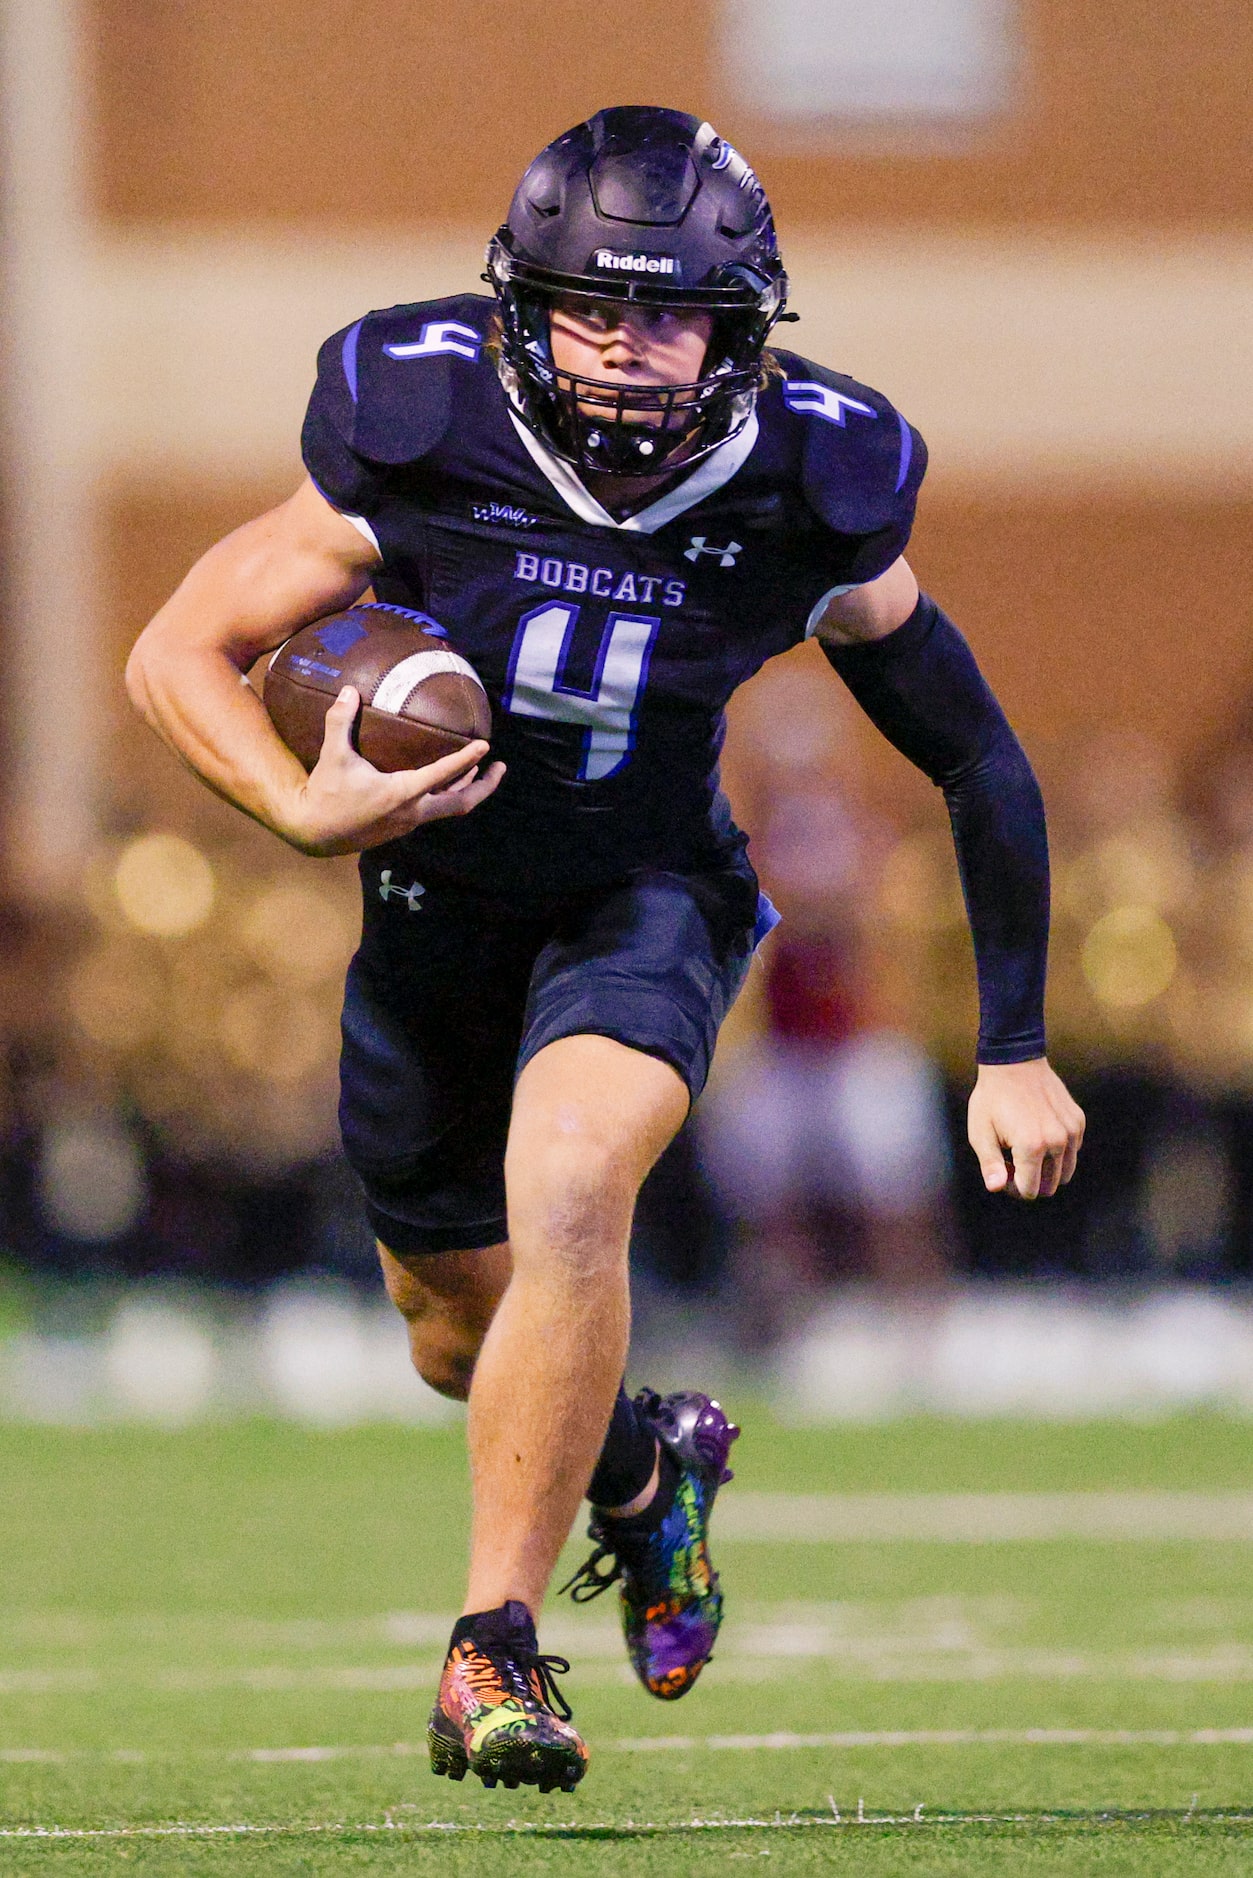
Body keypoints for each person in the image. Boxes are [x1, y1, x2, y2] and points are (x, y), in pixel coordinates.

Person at [125, 105, 1085, 1795]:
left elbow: (975, 754)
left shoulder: (811, 470)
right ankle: (645, 1472)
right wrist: (298, 806)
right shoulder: (418, 414)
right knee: (450, 1331)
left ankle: (491, 1647)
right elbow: (177, 650)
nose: (628, 349)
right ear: (519, 301)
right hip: (433, 910)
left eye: (667, 313)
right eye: (589, 305)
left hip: (643, 895)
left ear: (740, 320)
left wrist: (1011, 1039)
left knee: (571, 1183)